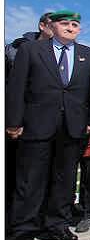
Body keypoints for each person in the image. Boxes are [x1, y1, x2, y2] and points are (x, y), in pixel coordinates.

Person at [6, 10, 90, 240]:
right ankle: (24, 228)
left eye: (75, 24)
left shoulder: (88, 55)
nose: (70, 27)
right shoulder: (31, 51)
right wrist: (13, 121)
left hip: (73, 125)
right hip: (37, 123)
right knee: (30, 178)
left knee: (64, 178)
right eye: (64, 23)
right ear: (51, 26)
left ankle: (57, 224)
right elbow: (17, 88)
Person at [5, 12, 54, 224]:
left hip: (55, 123)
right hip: (25, 121)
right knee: (22, 175)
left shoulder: (66, 54)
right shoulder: (18, 49)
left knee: (50, 174)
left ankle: (45, 219)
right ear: (43, 26)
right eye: (57, 24)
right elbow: (14, 88)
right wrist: (14, 121)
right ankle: (17, 223)